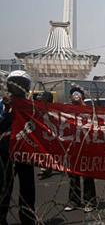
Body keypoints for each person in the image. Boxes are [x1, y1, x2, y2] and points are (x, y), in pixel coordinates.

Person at [0, 70, 36, 224]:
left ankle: (27, 218)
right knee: (3, 187)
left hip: (25, 151)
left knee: (27, 188)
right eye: (15, 84)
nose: (18, 87)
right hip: (5, 151)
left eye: (21, 84)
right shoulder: (2, 104)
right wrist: (7, 110)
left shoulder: (31, 106)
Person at [65, 85, 97, 213]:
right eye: (73, 94)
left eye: (78, 93)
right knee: (73, 176)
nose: (75, 96)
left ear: (82, 96)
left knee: (87, 175)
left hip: (86, 146)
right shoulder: (66, 110)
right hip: (72, 147)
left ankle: (90, 201)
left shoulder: (88, 110)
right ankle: (74, 201)